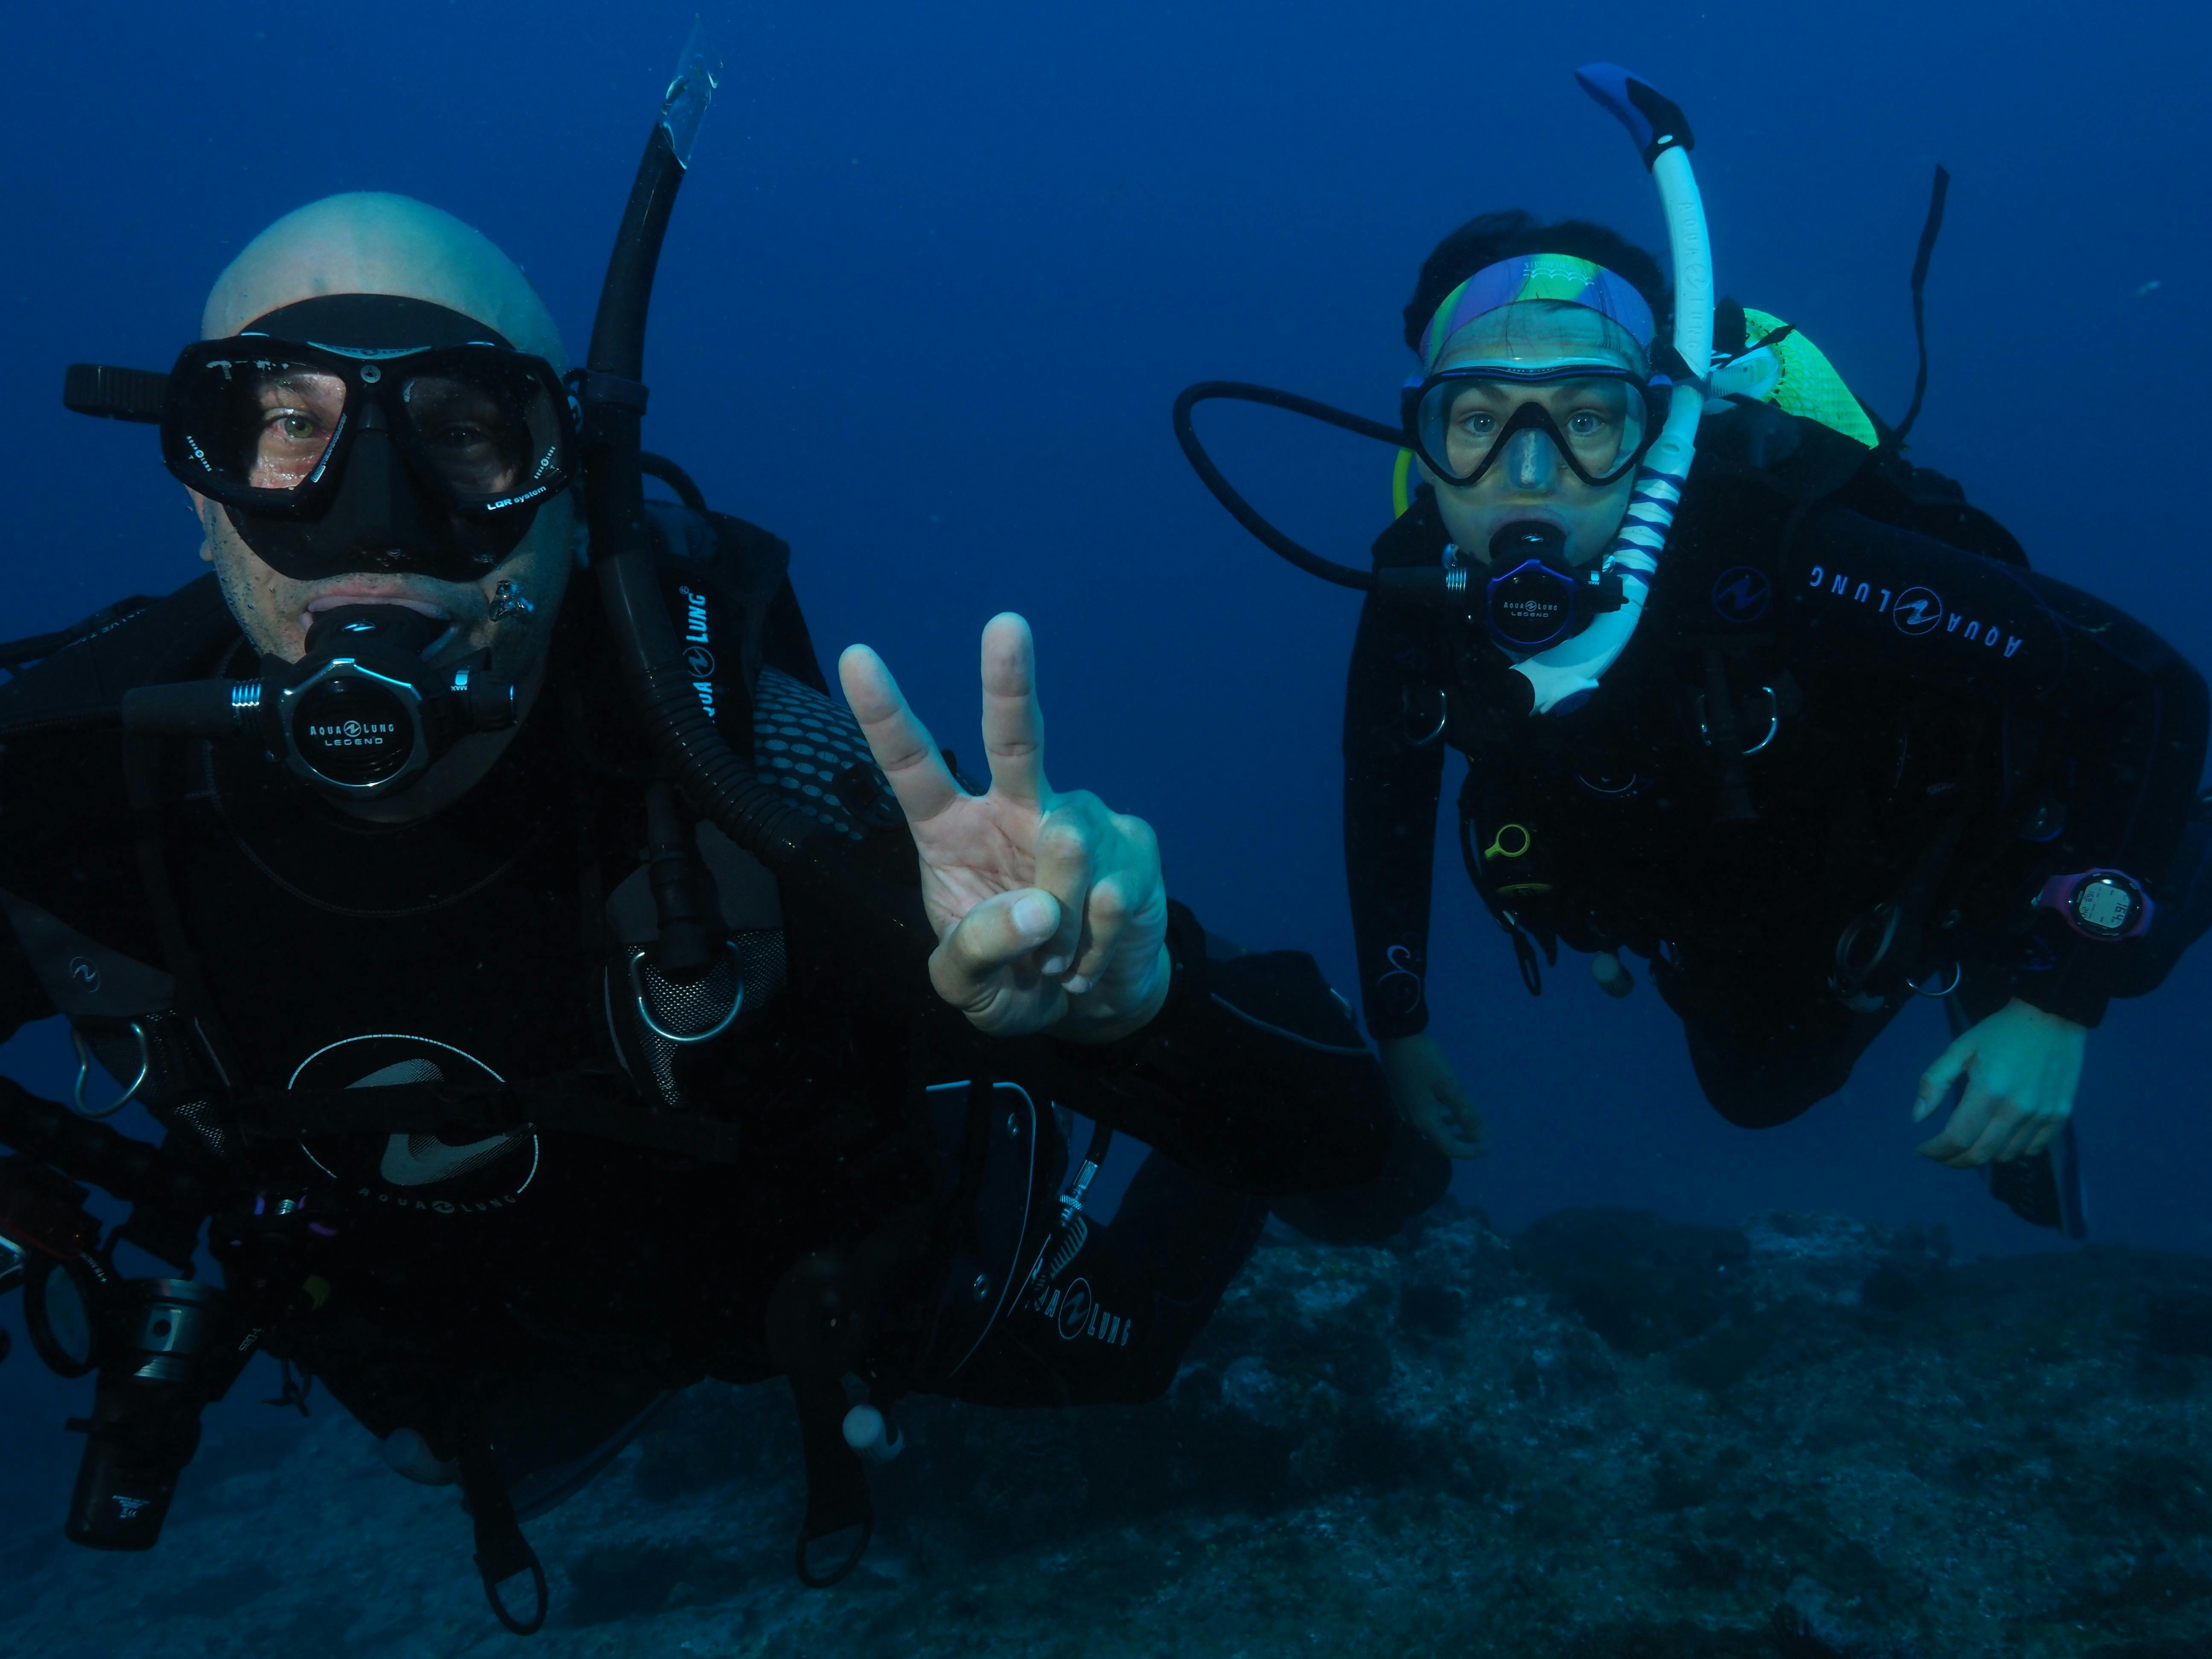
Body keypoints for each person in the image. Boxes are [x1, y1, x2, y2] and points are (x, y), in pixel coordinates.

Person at [0, 68, 1437, 1633]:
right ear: (193, 485)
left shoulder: (762, 782)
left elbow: (1365, 1170)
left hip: (805, 1291)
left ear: (574, 485)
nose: (377, 520)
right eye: (282, 426)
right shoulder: (67, 803)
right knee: (459, 1445)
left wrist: (1136, 1012)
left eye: (466, 434)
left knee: (1105, 1353)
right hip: (473, 1345)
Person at [1174, 65, 2211, 1230]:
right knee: (1756, 1094)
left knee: (2149, 841)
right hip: (1758, 881)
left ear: (1655, 423)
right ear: (1423, 431)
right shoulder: (1418, 581)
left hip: (1969, 838)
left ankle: (2028, 935)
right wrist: (1401, 1026)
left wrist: (2066, 996)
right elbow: (1388, 785)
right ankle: (1938, 958)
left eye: (1584, 419)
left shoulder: (1776, 546)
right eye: (1475, 422)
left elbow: (2150, 687)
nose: (1530, 478)